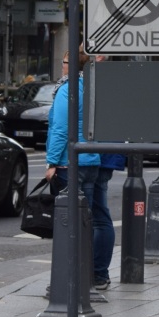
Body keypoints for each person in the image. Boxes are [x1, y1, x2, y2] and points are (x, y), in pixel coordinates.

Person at [44, 48, 113, 291]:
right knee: (85, 222)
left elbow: (61, 129)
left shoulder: (68, 90)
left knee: (67, 224)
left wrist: (52, 162)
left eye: (64, 62)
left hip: (69, 164)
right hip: (91, 160)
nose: (61, 66)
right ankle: (85, 275)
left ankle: (66, 280)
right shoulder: (92, 88)